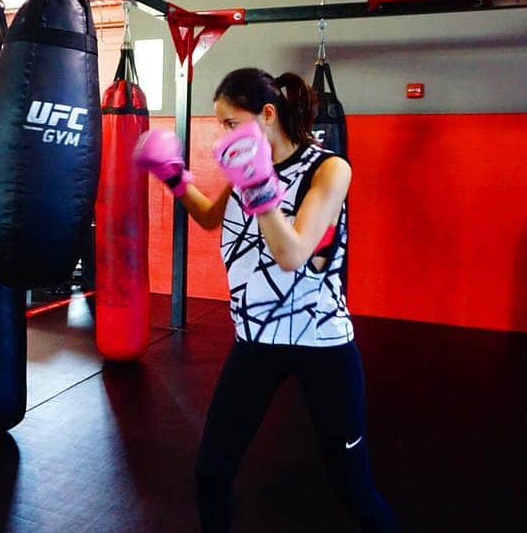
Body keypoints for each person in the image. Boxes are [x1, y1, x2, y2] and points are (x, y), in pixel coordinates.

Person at [135, 68, 398, 533]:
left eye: (231, 123)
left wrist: (259, 187)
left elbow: (292, 253)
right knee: (211, 473)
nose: (225, 135)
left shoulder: (330, 169)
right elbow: (210, 218)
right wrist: (174, 176)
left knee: (351, 486)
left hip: (324, 343)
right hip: (256, 341)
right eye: (220, 126)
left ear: (268, 114)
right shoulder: (244, 171)